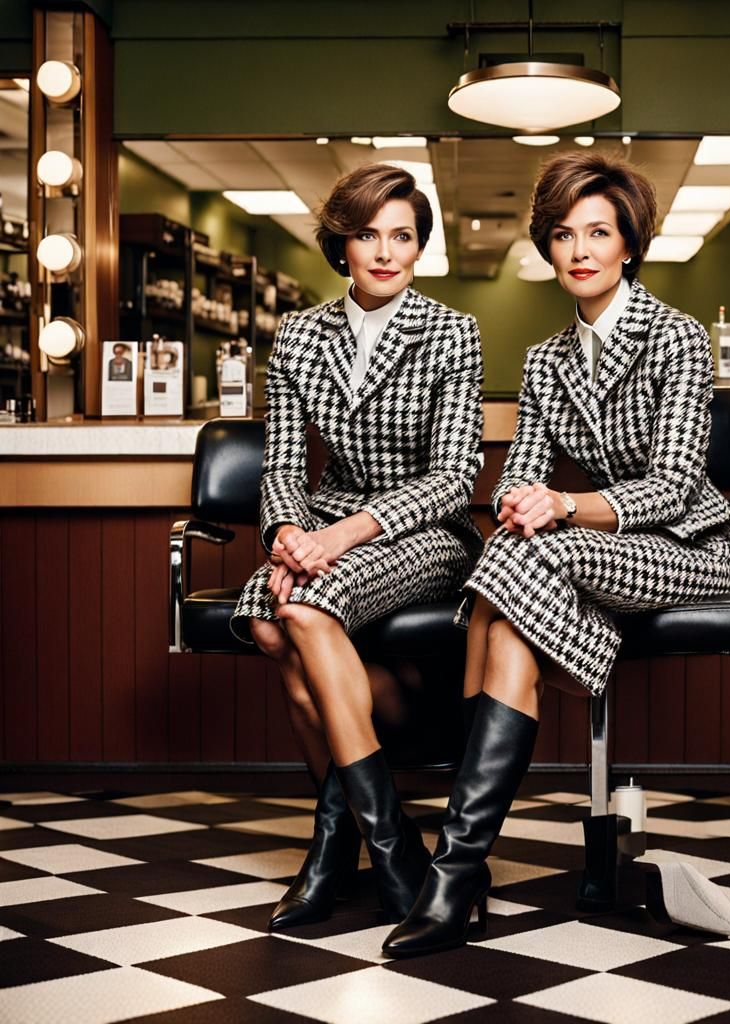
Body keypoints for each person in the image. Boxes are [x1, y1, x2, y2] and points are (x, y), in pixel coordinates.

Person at [383, 151, 730, 959]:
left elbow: (680, 485)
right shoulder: (547, 358)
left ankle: (454, 875)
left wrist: (566, 506)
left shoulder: (677, 337)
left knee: (514, 572)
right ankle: (459, 871)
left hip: (688, 548)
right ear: (549, 250)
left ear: (628, 245)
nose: (579, 249)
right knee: (511, 583)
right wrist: (520, 500)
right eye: (562, 235)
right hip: (590, 553)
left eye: (597, 232)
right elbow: (524, 468)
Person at [230, 163, 484, 931]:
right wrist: (283, 535)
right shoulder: (302, 331)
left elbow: (454, 477)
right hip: (318, 530)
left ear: (418, 247)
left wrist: (336, 538)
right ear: (342, 241)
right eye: (367, 233)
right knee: (273, 622)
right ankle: (371, 839)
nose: (384, 250)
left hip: (421, 530)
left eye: (401, 235)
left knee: (300, 614)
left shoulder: (451, 330)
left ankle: (358, 846)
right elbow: (280, 464)